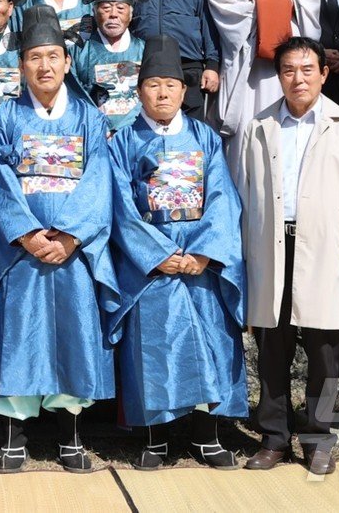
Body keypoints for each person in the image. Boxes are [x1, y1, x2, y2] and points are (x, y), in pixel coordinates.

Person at [0, 5, 116, 473]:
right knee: (19, 338)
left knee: (73, 337)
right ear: (21, 65)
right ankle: (14, 438)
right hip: (22, 254)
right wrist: (25, 234)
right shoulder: (1, 119)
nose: (44, 66)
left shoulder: (89, 119)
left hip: (73, 253)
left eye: (53, 56)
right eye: (35, 57)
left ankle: (70, 436)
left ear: (66, 62)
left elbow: (100, 178)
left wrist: (72, 236)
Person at [237, 37, 339, 476]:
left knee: (325, 352)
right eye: (289, 70)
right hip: (271, 248)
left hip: (326, 250)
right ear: (278, 76)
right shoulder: (258, 125)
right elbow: (241, 194)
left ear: (324, 73)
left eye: (307, 69)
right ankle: (274, 438)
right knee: (272, 350)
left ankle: (319, 439)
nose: (298, 78)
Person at [107, 35, 247, 470]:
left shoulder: (204, 137)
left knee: (209, 343)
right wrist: (157, 254)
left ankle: (207, 435)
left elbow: (223, 197)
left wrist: (204, 253)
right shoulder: (124, 141)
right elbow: (119, 206)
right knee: (153, 347)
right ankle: (156, 438)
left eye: (170, 84)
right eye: (153, 84)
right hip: (152, 264)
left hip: (201, 263)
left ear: (184, 91)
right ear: (139, 91)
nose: (163, 92)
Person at [204, 0, 320, 175]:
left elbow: (309, 1)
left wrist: (268, 6)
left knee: (285, 135)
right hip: (244, 65)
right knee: (245, 135)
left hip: (284, 68)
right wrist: (270, 6)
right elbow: (223, 10)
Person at [73, 0, 147, 133]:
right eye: (106, 8)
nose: (113, 14)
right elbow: (75, 97)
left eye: (120, 8)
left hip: (137, 133)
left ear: (131, 13)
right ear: (94, 11)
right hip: (94, 133)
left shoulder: (144, 50)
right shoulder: (80, 51)